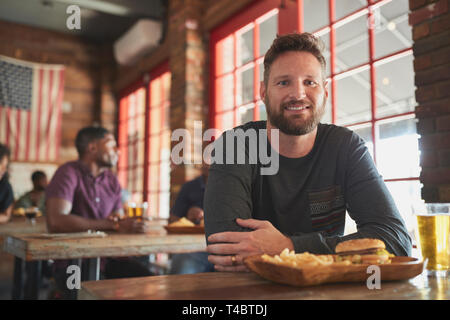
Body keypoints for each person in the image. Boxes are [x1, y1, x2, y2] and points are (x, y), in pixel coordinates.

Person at [204, 33, 412, 272]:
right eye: (283, 82)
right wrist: (331, 251)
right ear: (263, 92)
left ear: (325, 91)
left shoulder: (346, 147)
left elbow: (395, 241)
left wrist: (289, 246)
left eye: (309, 82)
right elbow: (227, 250)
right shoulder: (236, 145)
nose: (298, 94)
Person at [45, 126, 153, 298]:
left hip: (108, 259)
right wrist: (112, 224)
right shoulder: (68, 172)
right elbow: (56, 221)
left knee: (152, 285)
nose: (118, 150)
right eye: (111, 145)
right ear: (93, 148)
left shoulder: (111, 180)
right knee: (89, 293)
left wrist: (127, 225)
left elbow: (117, 218)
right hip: (73, 262)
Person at [168, 163, 214, 274]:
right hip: (194, 248)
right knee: (183, 265)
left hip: (227, 247)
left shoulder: (233, 186)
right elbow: (173, 220)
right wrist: (188, 218)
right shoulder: (189, 187)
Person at [0, 144, 13, 224]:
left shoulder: (5, 186)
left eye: (5, 166)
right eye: (1, 164)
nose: (4, 169)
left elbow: (6, 215)